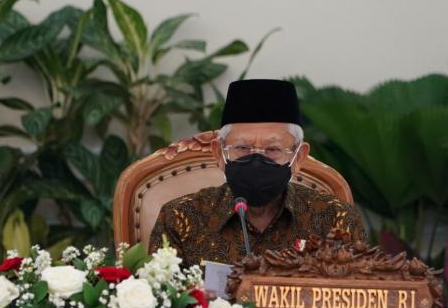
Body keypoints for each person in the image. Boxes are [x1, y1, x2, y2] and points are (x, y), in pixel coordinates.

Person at [148, 78, 366, 267]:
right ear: (218, 152)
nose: (256, 162)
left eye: (272, 150)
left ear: (298, 157)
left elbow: (357, 305)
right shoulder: (180, 218)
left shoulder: (336, 220)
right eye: (242, 148)